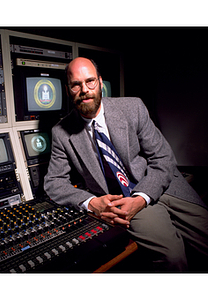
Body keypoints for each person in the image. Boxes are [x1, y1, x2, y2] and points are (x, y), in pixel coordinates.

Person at [44, 57, 208, 272]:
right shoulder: (61, 132)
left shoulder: (132, 107)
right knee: (173, 257)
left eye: (90, 81)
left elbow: (163, 158)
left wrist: (143, 198)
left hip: (163, 184)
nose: (84, 89)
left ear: (100, 83)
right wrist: (92, 203)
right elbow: (54, 182)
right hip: (123, 200)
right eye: (76, 84)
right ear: (68, 90)